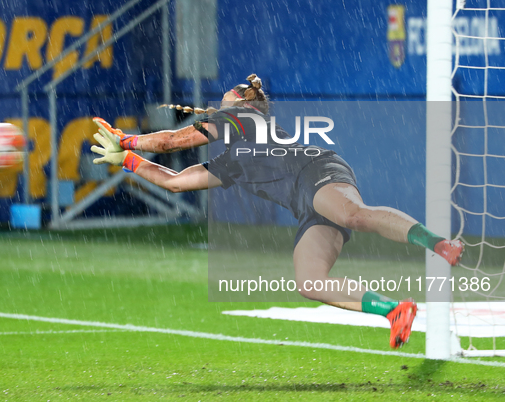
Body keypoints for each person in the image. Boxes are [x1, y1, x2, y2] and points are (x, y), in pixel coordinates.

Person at [90, 74, 463, 349]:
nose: (217, 111)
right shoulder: (232, 161)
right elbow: (174, 181)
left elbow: (172, 141)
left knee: (354, 215)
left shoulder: (246, 118)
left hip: (318, 173)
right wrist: (130, 160)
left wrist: (126, 138)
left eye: (224, 104)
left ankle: (439, 244)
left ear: (243, 105)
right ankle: (395, 311)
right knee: (310, 282)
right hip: (307, 204)